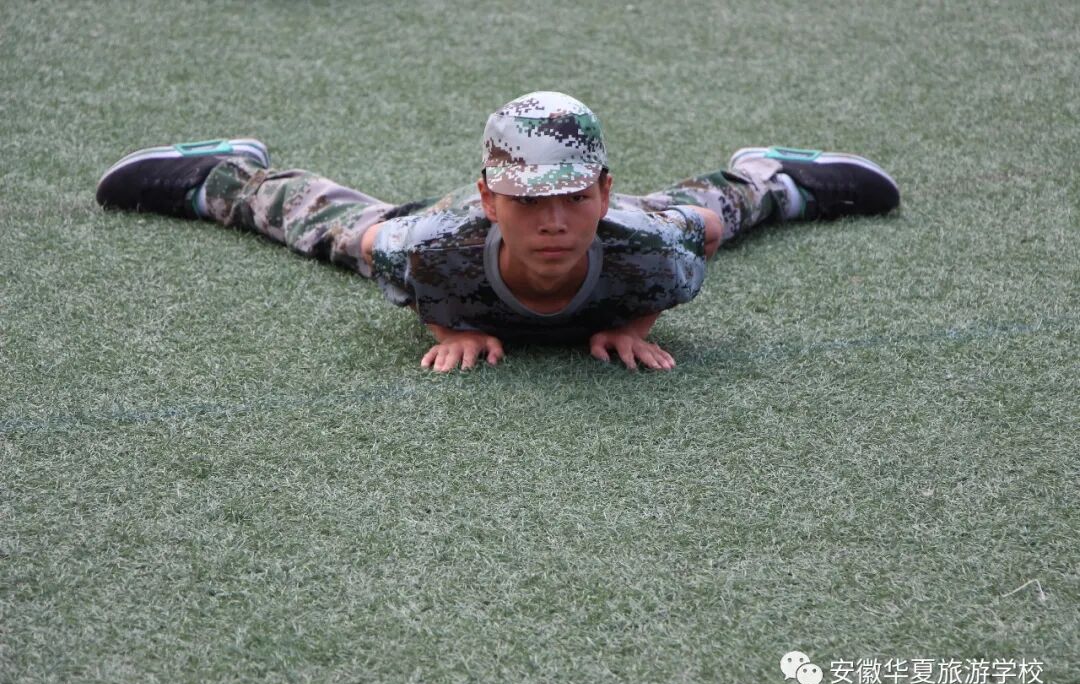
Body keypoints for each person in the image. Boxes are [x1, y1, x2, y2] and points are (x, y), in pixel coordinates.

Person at [95, 91, 899, 372]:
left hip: (634, 231)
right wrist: (451, 325)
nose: (551, 219)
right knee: (347, 234)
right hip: (440, 239)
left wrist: (633, 322)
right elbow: (412, 279)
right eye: (525, 199)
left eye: (573, 197)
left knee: (707, 216)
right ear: (488, 196)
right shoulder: (428, 250)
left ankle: (775, 179)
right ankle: (224, 177)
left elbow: (692, 248)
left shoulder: (656, 255)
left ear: (601, 191)